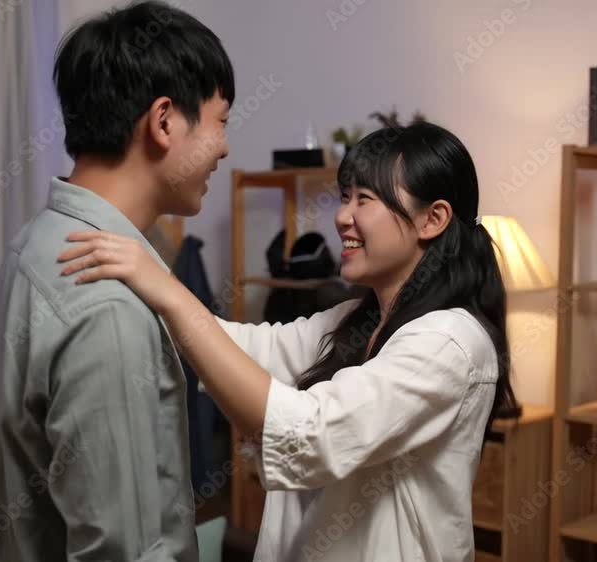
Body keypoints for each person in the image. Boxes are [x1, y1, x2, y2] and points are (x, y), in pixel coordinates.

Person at [57, 122, 517, 562]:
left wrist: (168, 292)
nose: (342, 217)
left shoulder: (450, 342)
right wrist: (149, 284)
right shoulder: (356, 319)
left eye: (364, 200)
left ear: (432, 219)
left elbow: (314, 433)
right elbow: (252, 348)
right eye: (345, 197)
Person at [0, 2, 233, 560]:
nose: (224, 146)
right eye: (221, 121)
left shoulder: (37, 242)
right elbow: (122, 549)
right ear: (164, 122)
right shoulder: (107, 300)